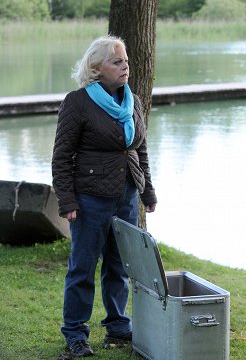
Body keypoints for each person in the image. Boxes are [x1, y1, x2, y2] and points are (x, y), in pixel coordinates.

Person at [52, 35, 157, 358]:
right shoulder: (78, 102)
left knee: (118, 265)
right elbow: (61, 156)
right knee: (82, 267)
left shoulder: (133, 101)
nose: (125, 66)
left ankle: (117, 324)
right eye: (117, 61)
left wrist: (148, 190)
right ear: (97, 69)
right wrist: (67, 201)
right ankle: (75, 333)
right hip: (90, 199)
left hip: (126, 195)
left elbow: (139, 148)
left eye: (125, 60)